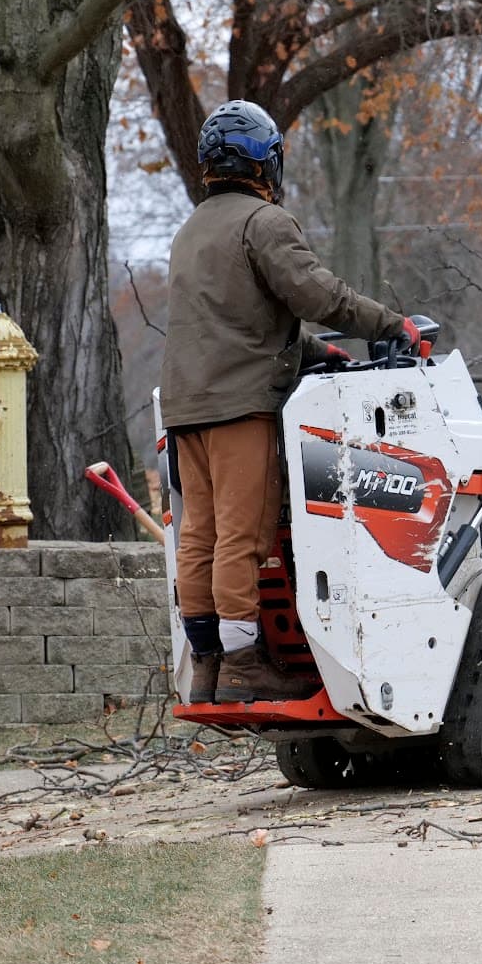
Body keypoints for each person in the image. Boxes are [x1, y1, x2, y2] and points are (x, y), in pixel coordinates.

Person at [160, 99, 426, 704]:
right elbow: (316, 293)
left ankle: (208, 669)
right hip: (237, 410)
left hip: (187, 411)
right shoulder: (264, 223)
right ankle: (246, 665)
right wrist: (391, 326)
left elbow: (235, 325)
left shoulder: (192, 230)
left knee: (197, 535)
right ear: (266, 162)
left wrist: (313, 354)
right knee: (240, 537)